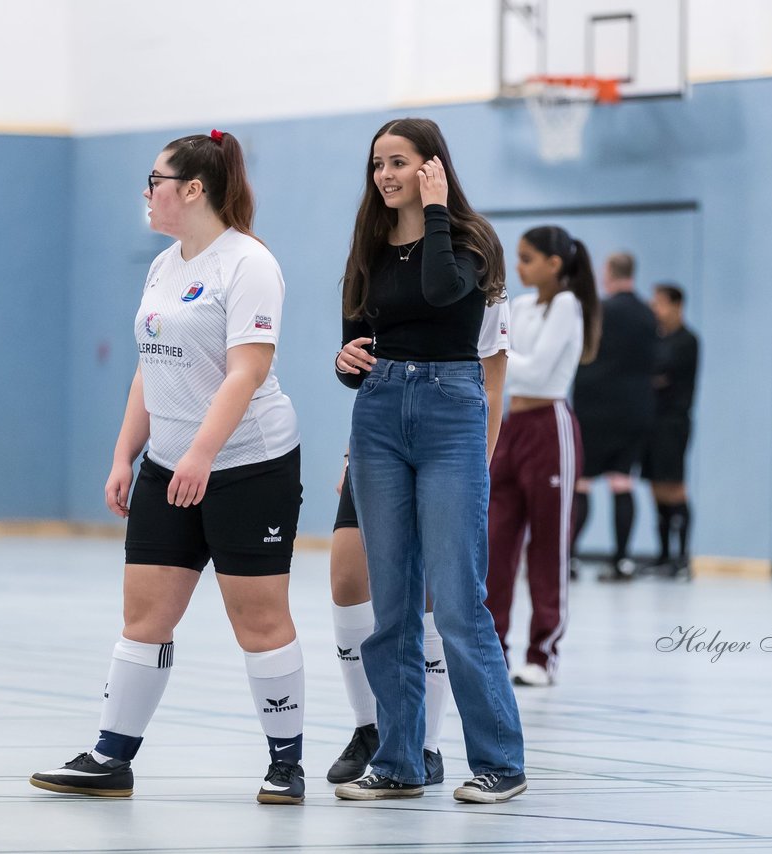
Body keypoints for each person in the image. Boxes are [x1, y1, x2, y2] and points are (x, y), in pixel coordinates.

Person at [29, 130, 307, 805]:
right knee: (144, 614)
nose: (146, 194)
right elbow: (149, 369)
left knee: (259, 620)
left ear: (192, 189)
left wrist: (204, 455)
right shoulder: (164, 266)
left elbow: (248, 371)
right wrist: (125, 455)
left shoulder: (248, 265)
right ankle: (110, 757)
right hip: (167, 464)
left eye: (154, 180)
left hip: (248, 465)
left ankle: (285, 764)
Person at [332, 117, 527, 804]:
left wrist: (438, 210)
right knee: (391, 605)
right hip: (380, 414)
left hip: (449, 413)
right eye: (376, 164)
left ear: (432, 167)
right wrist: (345, 360)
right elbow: (356, 340)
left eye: (398, 162)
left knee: (457, 601)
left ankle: (500, 761)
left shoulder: (470, 241)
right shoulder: (369, 244)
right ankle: (400, 760)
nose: (384, 175)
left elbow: (447, 296)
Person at [326, 299, 509, 785]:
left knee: (447, 603)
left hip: (451, 443)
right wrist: (344, 363)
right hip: (378, 440)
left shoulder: (473, 261)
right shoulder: (372, 254)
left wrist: (477, 470)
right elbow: (358, 358)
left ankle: (429, 747)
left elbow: (491, 381)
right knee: (353, 584)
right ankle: (376, 733)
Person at [484, 225, 601, 688]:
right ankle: (493, 646)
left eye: (528, 258)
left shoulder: (568, 306)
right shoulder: (523, 305)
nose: (519, 266)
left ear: (555, 264)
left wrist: (498, 359)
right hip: (511, 428)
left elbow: (534, 368)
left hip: (551, 429)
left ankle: (543, 652)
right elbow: (501, 357)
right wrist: (498, 358)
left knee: (549, 545)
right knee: (496, 540)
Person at [571, 251, 659, 582]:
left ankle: (569, 558)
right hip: (636, 410)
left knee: (583, 483)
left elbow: (582, 355)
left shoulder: (601, 311)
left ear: (608, 274)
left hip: (595, 410)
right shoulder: (649, 315)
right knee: (622, 482)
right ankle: (622, 560)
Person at [643, 283, 699, 578]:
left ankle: (683, 556)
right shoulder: (656, 338)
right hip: (652, 421)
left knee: (674, 486)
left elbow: (661, 372)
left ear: (677, 306)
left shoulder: (687, 340)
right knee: (655, 486)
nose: (655, 309)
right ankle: (663, 555)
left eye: (660, 304)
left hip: (673, 423)